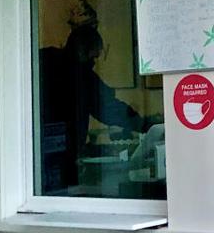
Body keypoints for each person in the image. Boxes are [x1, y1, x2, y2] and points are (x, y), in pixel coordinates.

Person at [38, 17, 143, 194]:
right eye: (93, 57)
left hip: (37, 152)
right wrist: (142, 123)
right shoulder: (81, 76)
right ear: (82, 51)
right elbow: (108, 108)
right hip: (61, 154)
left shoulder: (40, 60)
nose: (94, 63)